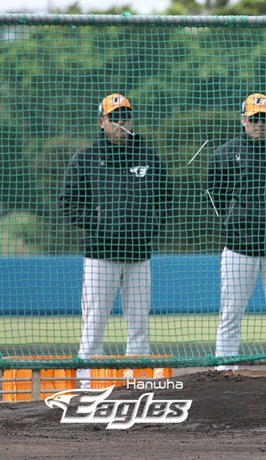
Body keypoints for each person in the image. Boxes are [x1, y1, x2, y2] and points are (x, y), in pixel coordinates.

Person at [59, 93, 173, 388]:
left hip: (139, 254)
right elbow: (67, 202)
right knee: (94, 324)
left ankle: (136, 384)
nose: (122, 123)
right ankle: (86, 386)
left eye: (126, 117)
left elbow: (166, 199)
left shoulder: (148, 156)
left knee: (139, 326)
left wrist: (152, 226)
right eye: (115, 118)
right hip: (100, 255)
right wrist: (97, 223)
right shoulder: (85, 158)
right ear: (102, 122)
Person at [207, 93, 266, 371]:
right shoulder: (224, 154)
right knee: (230, 314)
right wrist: (232, 223)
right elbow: (215, 195)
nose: (259, 124)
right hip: (239, 248)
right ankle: (224, 371)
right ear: (243, 119)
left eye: (264, 118)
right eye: (254, 118)